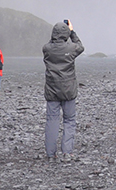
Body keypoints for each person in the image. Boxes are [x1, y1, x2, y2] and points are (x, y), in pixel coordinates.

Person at [43, 20, 85, 160]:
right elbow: (80, 46)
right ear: (66, 34)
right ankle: (67, 151)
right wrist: (71, 32)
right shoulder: (71, 48)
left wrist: (58, 35)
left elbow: (51, 43)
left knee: (52, 120)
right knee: (69, 120)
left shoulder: (47, 49)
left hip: (52, 90)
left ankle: (50, 153)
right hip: (68, 90)